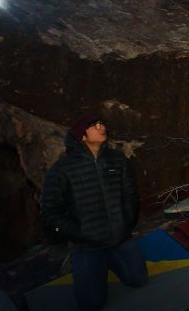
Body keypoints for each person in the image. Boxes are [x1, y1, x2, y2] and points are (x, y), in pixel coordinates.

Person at [41, 114, 147, 310]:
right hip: (87, 245)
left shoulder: (117, 160)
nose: (102, 127)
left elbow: (130, 196)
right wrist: (81, 233)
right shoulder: (62, 169)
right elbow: (49, 212)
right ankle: (94, 265)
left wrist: (125, 225)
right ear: (82, 135)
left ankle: (112, 260)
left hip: (119, 238)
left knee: (138, 280)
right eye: (95, 125)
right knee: (91, 303)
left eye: (102, 124)